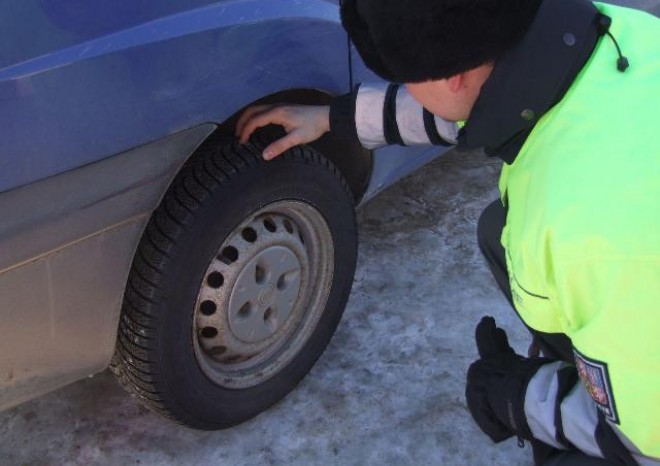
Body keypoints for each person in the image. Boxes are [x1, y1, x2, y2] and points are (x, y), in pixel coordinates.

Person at [236, 0, 660, 464]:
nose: (411, 93)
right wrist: (333, 118)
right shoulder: (609, 31)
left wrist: (519, 398)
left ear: (452, 76)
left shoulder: (591, 234)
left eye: (411, 82)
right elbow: (470, 110)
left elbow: (645, 441)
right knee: (497, 231)